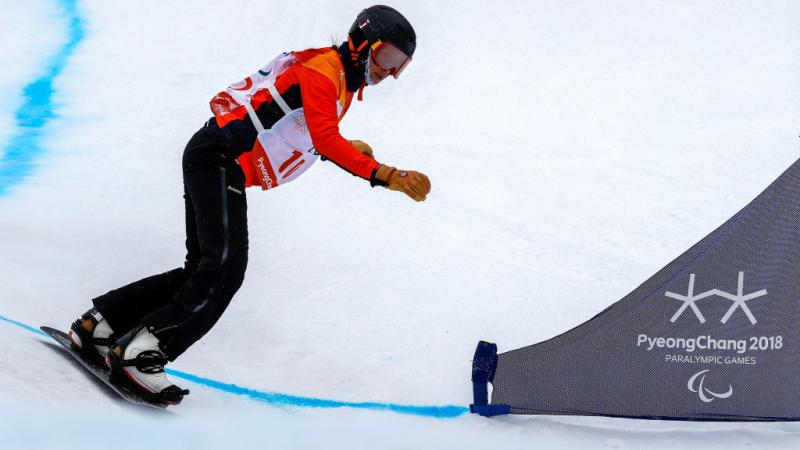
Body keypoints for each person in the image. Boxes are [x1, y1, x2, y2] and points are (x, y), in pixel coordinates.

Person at [65, 5, 430, 405]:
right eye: (389, 57)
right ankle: (141, 354)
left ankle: (99, 326)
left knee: (203, 268)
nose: (390, 72)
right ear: (363, 43)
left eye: (401, 65)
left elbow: (295, 124)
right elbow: (324, 136)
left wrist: (330, 151)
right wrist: (384, 172)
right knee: (224, 272)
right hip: (220, 157)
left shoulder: (333, 75)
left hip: (215, 156)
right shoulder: (325, 71)